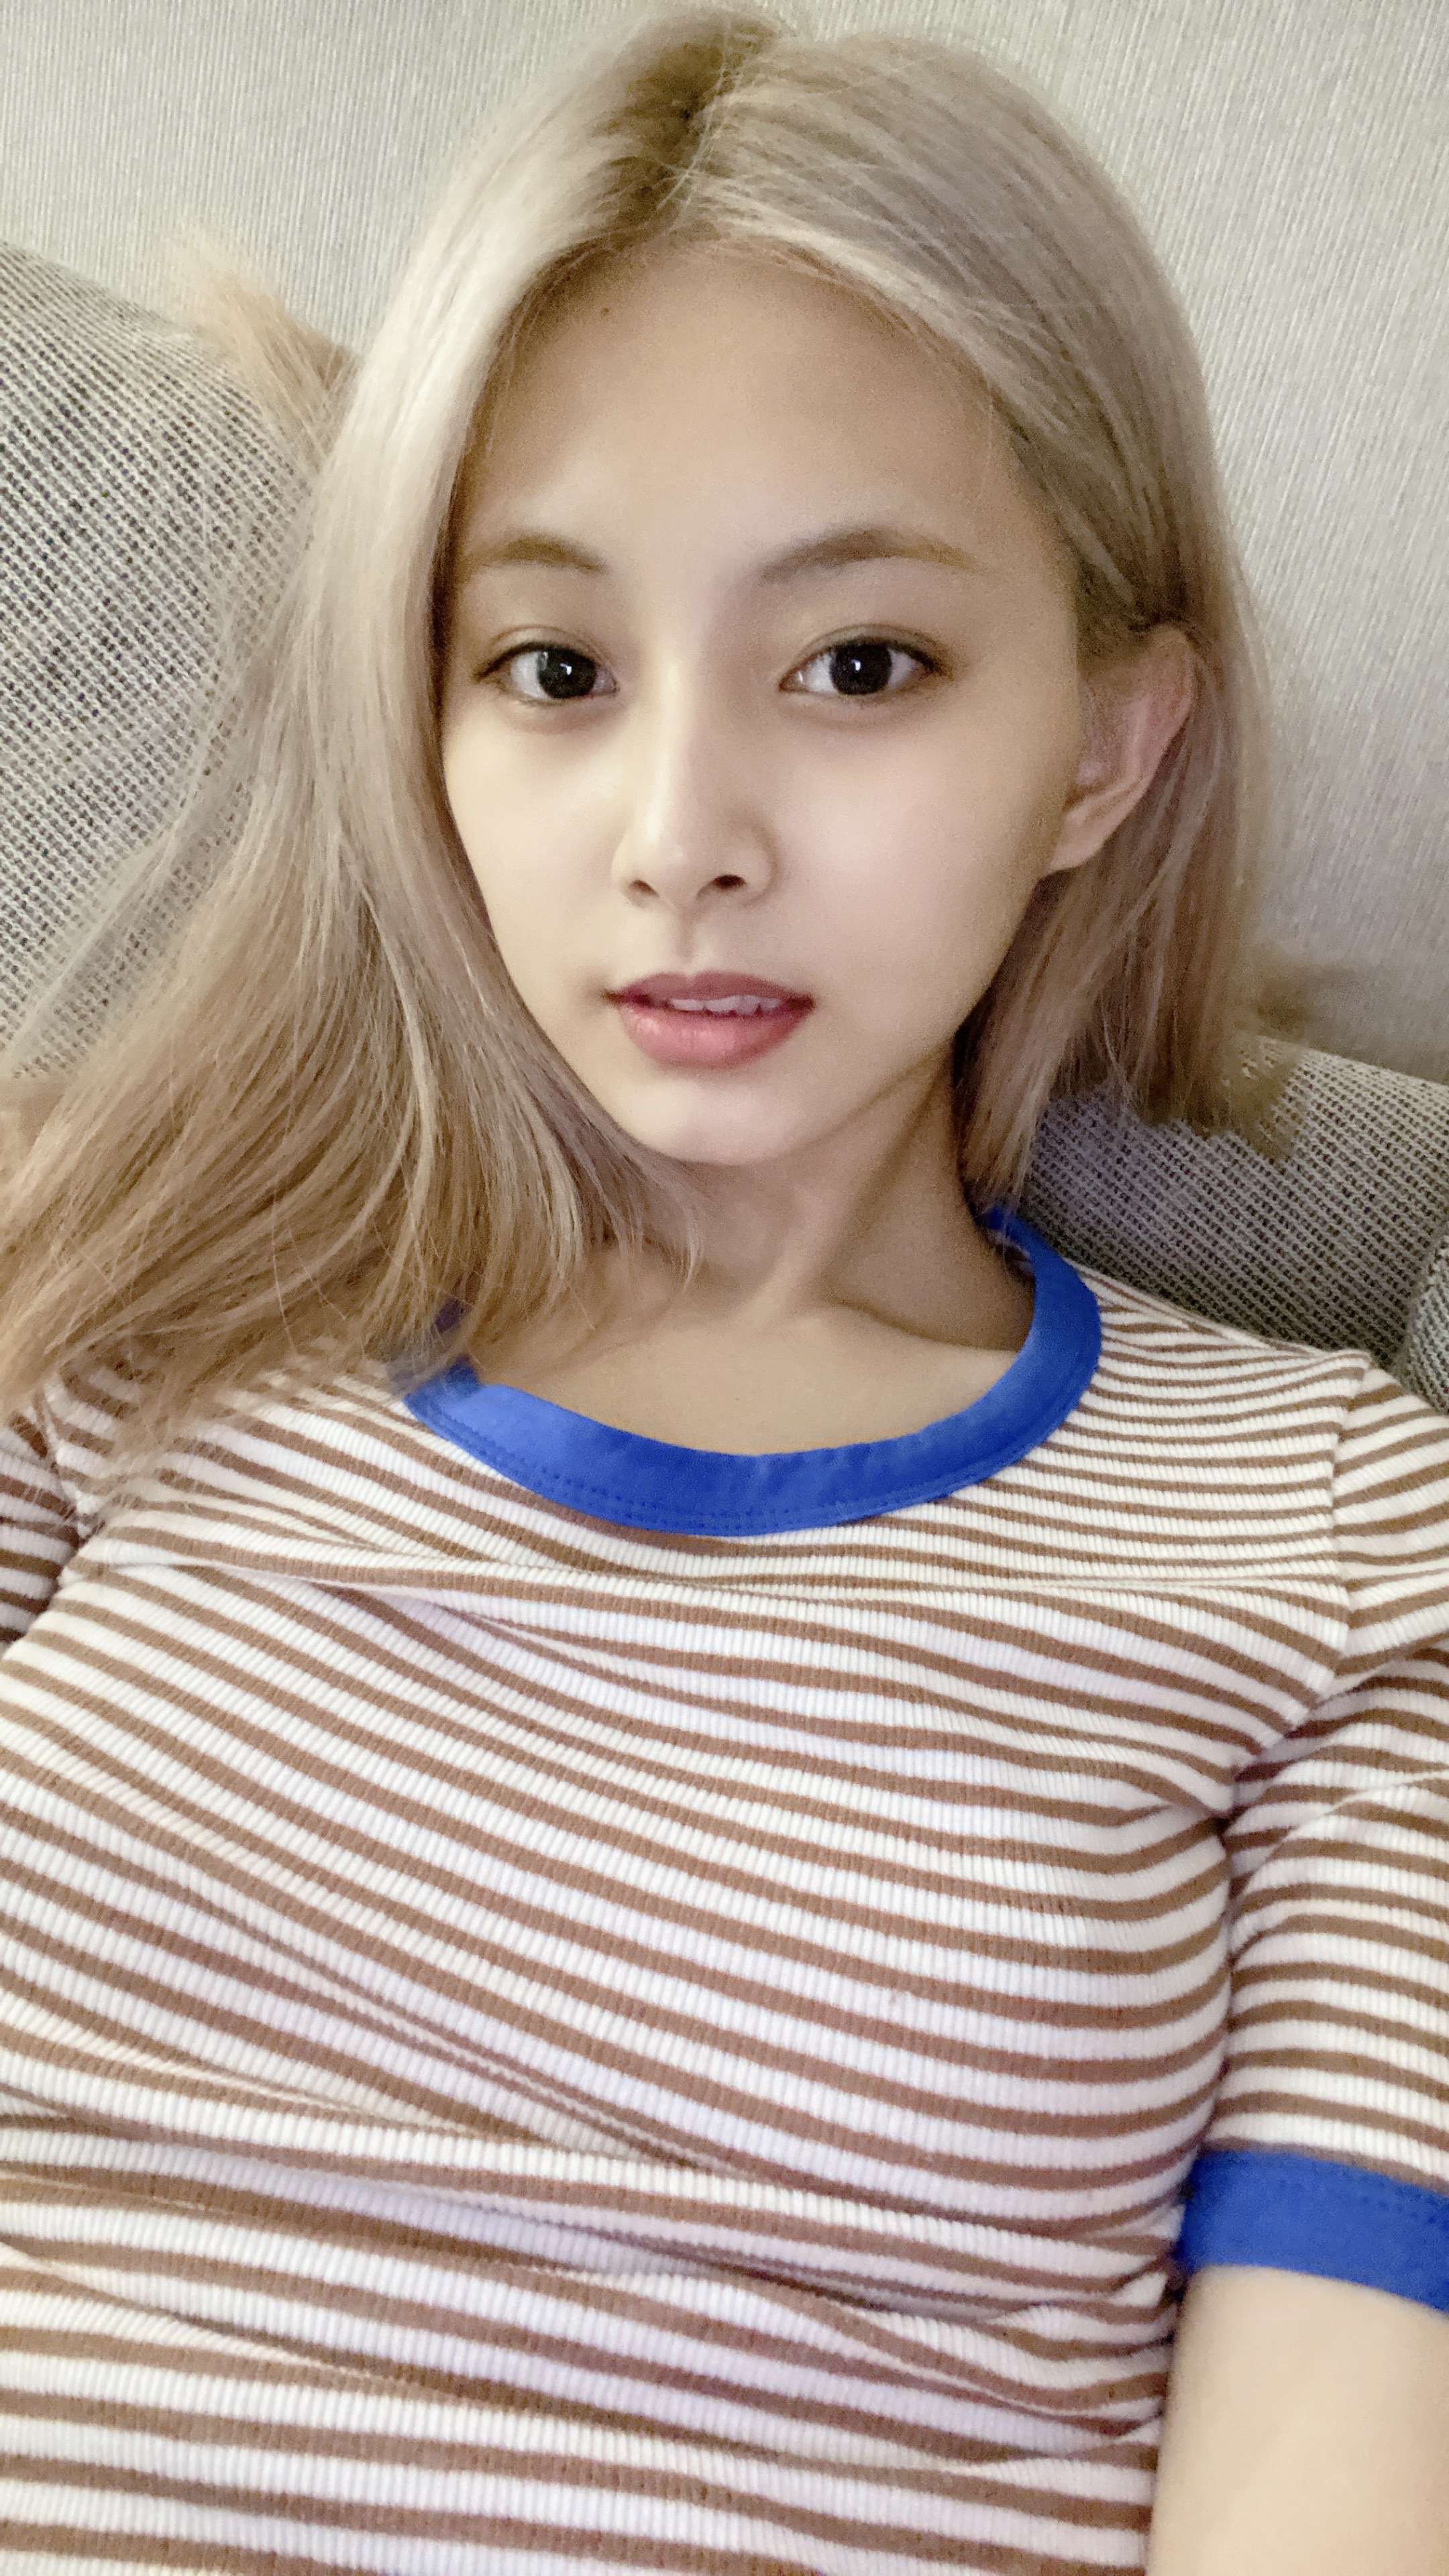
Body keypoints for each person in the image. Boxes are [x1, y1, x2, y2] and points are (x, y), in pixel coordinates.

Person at [0, 5, 1445, 2570]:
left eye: (859, 664)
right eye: (553, 669)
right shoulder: (126, 1292)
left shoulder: (1339, 1526)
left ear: (1102, 750)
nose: (683, 836)